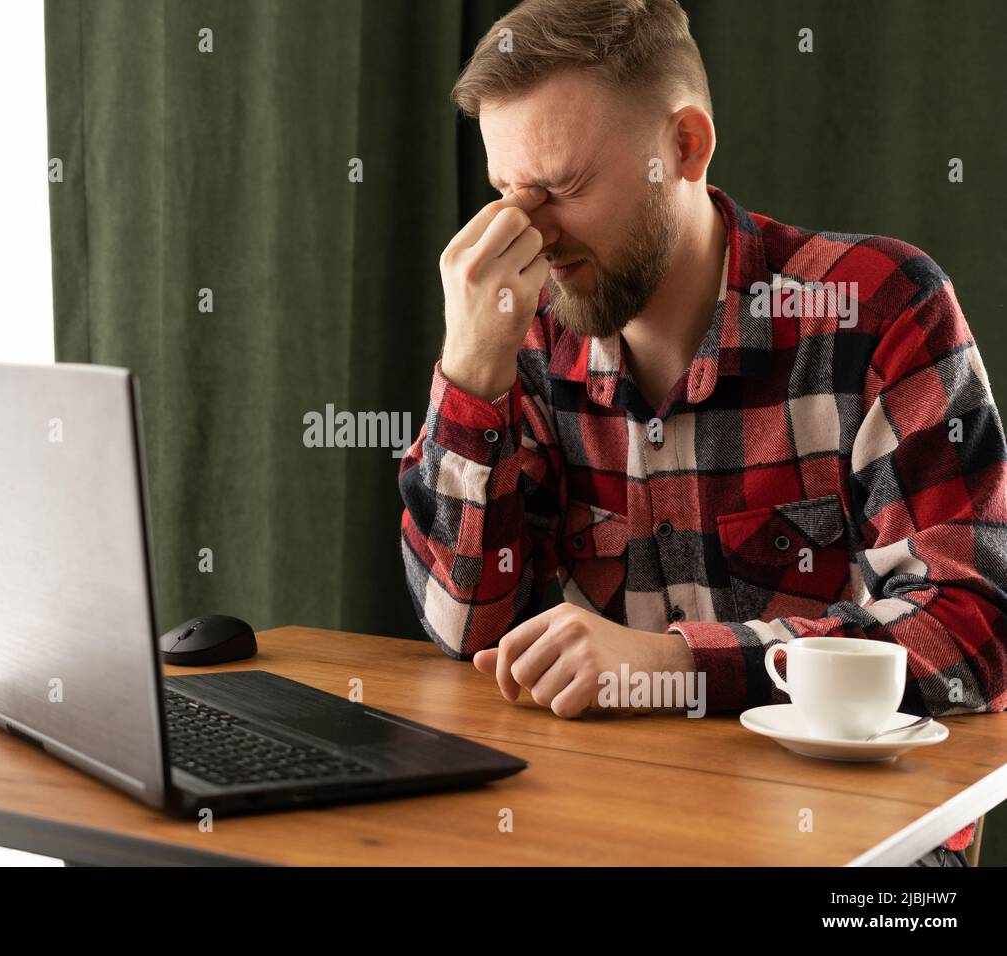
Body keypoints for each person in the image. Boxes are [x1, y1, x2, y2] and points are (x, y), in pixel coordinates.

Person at [397, 0, 1004, 866]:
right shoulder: (521, 339)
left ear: (685, 146)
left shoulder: (880, 308)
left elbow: (974, 628)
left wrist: (673, 668)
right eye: (506, 196)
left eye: (563, 190)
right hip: (611, 829)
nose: (530, 236)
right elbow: (465, 628)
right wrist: (469, 373)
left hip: (864, 855)